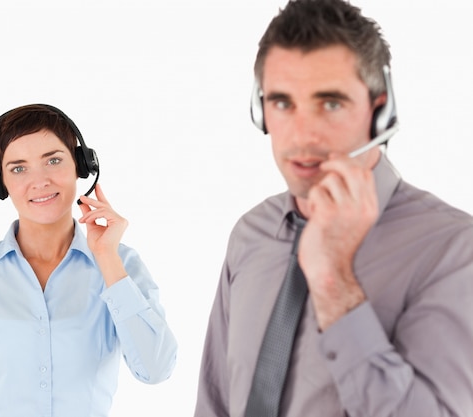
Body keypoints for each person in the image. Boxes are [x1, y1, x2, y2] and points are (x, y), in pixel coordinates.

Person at [194, 0, 473, 416]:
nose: (302, 134)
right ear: (261, 111)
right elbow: (215, 402)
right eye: (283, 103)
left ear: (381, 113)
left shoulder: (452, 249)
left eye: (330, 103)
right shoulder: (251, 232)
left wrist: (332, 281)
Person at [0, 104, 177, 417]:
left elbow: (156, 368)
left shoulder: (120, 263)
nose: (39, 180)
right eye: (18, 168)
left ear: (80, 166)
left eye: (53, 160)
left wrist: (107, 258)